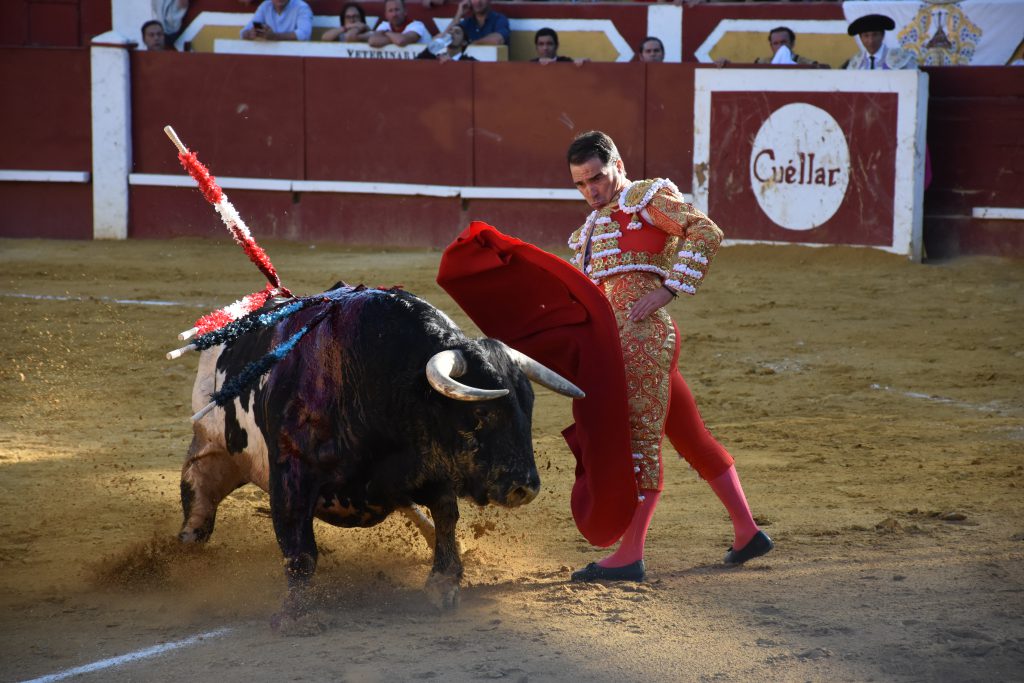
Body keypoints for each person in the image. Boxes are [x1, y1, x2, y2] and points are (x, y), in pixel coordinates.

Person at [565, 131, 773, 582]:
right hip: (615, 347)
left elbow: (705, 230)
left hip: (643, 338)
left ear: (617, 164)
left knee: (639, 442)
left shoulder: (646, 199)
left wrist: (669, 288)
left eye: (597, 178)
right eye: (580, 184)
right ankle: (747, 531)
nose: (591, 191)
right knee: (692, 438)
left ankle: (630, 554)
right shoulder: (585, 234)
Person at [844, 14, 917, 70]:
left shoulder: (901, 58)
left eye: (875, 35)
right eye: (866, 36)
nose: (871, 40)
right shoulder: (855, 62)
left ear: (882, 35)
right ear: (860, 38)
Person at [753, 26, 828, 68]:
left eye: (783, 42)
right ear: (771, 46)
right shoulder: (761, 63)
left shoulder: (807, 64)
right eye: (776, 43)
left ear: (792, 43)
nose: (780, 46)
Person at [240, 0, 313, 42]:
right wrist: (250, 33)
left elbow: (304, 34)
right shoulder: (265, 6)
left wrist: (274, 36)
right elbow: (244, 31)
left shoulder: (301, 7)